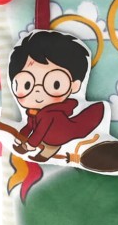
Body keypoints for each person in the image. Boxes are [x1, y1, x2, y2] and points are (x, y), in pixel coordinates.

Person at [8, 30, 104, 163]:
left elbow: (40, 132)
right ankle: (44, 151)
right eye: (27, 84)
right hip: (46, 136)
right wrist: (20, 137)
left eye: (55, 84)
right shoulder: (33, 112)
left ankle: (46, 150)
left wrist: (29, 145)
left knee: (50, 141)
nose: (37, 91)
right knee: (45, 141)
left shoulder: (50, 114)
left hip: (56, 135)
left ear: (75, 85)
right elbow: (30, 125)